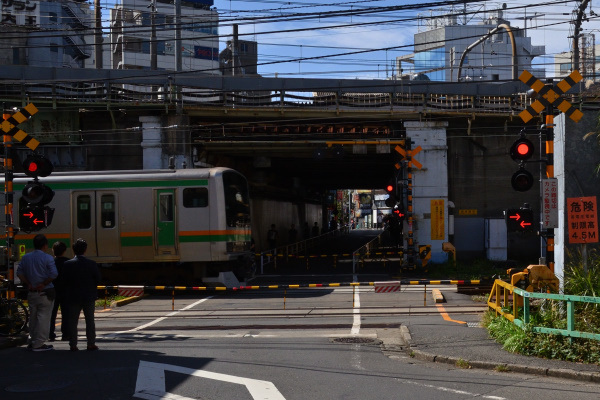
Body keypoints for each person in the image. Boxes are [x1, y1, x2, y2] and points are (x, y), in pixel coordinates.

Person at [17, 234, 58, 352]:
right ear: (45, 245)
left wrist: (28, 283)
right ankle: (39, 344)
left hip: (31, 292)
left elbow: (19, 273)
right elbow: (54, 274)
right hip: (45, 292)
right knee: (43, 317)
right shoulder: (48, 258)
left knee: (33, 317)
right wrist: (44, 284)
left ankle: (32, 340)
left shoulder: (26, 257)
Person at [64, 238, 101, 351]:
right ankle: (91, 343)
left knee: (72, 321)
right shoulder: (91, 264)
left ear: (74, 250)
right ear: (85, 250)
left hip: (73, 296)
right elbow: (98, 279)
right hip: (89, 296)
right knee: (90, 320)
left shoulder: (67, 264)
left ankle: (73, 344)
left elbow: (64, 280)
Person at [49, 241, 70, 342]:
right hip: (66, 291)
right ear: (65, 251)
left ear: (53, 250)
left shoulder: (50, 262)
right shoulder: (68, 262)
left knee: (52, 313)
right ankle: (65, 334)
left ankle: (50, 334)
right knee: (66, 313)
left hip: (53, 290)